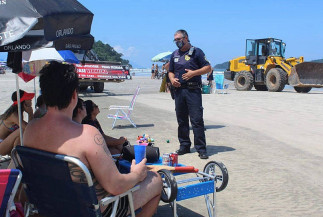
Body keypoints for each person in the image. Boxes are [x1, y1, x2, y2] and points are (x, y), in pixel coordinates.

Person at [23, 61, 162, 217]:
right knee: (155, 179)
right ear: (74, 95)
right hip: (90, 210)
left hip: (48, 205)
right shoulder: (87, 134)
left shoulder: (31, 129)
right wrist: (137, 174)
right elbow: (116, 186)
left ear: (44, 94)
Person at [168, 29, 211, 159]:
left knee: (197, 120)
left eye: (179, 39)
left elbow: (208, 68)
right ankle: (184, 146)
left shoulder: (196, 51)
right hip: (179, 91)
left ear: (186, 38)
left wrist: (193, 73)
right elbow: (170, 71)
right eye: (175, 40)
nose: (177, 42)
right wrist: (171, 79)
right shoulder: (174, 54)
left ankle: (201, 149)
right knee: (181, 120)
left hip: (193, 91)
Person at [0, 90, 34, 155]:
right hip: (1, 145)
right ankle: (16, 158)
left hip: (5, 143)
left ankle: (16, 158)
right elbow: (29, 129)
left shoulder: (18, 112)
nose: (31, 100)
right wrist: (30, 113)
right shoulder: (14, 115)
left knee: (20, 137)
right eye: (28, 98)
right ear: (23, 101)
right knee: (22, 129)